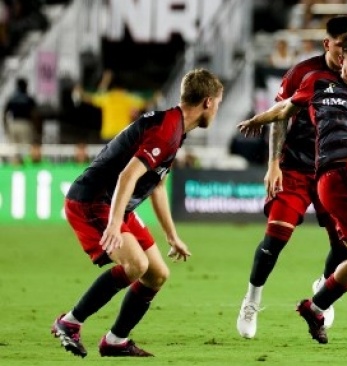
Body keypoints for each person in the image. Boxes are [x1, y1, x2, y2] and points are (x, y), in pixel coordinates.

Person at [238, 30, 347, 349]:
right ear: (342, 60)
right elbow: (285, 109)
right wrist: (258, 119)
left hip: (343, 181)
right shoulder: (319, 85)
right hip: (339, 173)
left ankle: (316, 307)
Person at [51, 69, 223, 358]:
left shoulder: (174, 127)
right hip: (92, 201)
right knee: (136, 265)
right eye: (218, 103)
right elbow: (127, 177)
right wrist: (115, 225)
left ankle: (115, 340)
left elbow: (156, 186)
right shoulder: (168, 131)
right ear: (207, 102)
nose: (217, 110)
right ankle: (69, 322)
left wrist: (172, 236)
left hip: (116, 203)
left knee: (157, 274)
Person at [236, 16, 347, 339]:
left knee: (345, 245)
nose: (346, 52)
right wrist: (273, 163)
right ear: (327, 44)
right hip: (295, 167)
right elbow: (280, 117)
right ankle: (252, 299)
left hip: (333, 170)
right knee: (275, 239)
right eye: (341, 45)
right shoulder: (304, 72)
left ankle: (324, 286)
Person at [3, 77, 38, 144]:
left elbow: (5, 114)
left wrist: (6, 127)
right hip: (25, 125)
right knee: (25, 150)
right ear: (26, 87)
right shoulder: (29, 99)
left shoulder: (12, 99)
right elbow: (35, 114)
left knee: (13, 150)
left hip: (13, 125)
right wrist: (35, 129)